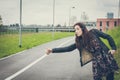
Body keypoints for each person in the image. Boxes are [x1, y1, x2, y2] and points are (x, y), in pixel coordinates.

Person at [46, 22, 119, 80]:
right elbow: (68, 48)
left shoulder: (93, 32)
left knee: (110, 77)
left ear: (83, 29)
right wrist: (52, 50)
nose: (76, 31)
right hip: (96, 62)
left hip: (106, 57)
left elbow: (107, 37)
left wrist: (113, 48)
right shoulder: (80, 42)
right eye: (75, 30)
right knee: (97, 78)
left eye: (77, 29)